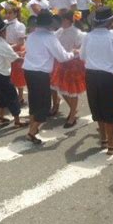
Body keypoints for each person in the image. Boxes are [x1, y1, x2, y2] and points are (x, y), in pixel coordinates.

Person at [80, 6, 113, 155]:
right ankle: (111, 144)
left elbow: (82, 56)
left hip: (90, 74)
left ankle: (104, 139)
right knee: (107, 108)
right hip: (106, 76)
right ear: (109, 21)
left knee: (96, 107)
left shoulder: (88, 36)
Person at [23, 9, 76, 144]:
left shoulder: (31, 35)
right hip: (40, 72)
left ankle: (32, 128)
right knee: (44, 105)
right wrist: (74, 53)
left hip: (29, 70)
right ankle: (31, 132)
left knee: (34, 100)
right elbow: (62, 57)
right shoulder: (49, 37)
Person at [0, 18, 29, 127]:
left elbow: (4, 51)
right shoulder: (3, 45)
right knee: (13, 97)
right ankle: (17, 121)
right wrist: (25, 57)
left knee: (2, 95)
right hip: (0, 75)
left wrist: (14, 48)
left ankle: (0, 116)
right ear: (2, 32)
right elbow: (15, 59)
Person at [51, 10, 86, 128]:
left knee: (72, 91)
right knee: (61, 88)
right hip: (62, 63)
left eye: (61, 20)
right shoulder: (59, 32)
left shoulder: (77, 33)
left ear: (67, 20)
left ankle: (72, 116)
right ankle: (73, 110)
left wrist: (76, 51)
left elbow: (81, 49)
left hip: (73, 65)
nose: (59, 22)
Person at [4, 2, 27, 104]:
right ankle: (11, 95)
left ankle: (20, 96)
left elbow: (21, 41)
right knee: (7, 73)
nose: (7, 15)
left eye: (10, 13)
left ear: (15, 14)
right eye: (6, 13)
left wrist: (10, 47)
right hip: (6, 49)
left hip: (16, 49)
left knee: (18, 74)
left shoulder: (20, 25)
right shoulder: (4, 23)